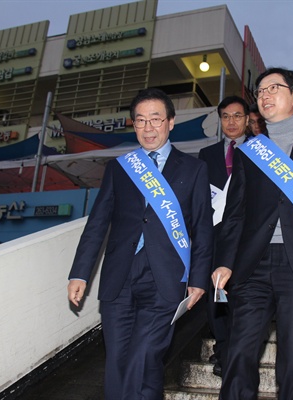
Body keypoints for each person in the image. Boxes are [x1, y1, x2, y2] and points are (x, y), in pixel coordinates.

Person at [67, 88, 214, 400]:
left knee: (141, 357)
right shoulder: (120, 168)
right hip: (119, 275)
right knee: (120, 362)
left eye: (156, 120)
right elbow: (97, 224)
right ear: (133, 125)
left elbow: (202, 227)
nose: (148, 128)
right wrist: (79, 273)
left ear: (171, 122)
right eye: (141, 121)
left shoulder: (194, 168)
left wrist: (199, 279)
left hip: (166, 276)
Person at [212, 67, 293, 399]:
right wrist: (225, 260)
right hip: (253, 265)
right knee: (239, 353)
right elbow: (235, 214)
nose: (266, 95)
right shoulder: (249, 152)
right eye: (260, 91)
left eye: (275, 88)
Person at [198, 95, 250, 377]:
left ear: (247, 119)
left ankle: (238, 351)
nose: (231, 122)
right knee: (216, 297)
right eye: (226, 117)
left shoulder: (259, 151)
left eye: (237, 116)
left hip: (247, 235)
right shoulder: (207, 155)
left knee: (244, 296)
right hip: (215, 235)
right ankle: (223, 350)